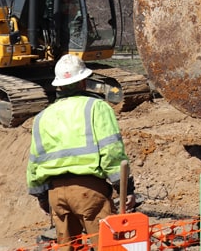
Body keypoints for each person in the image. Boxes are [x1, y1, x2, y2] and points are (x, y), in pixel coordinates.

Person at [27, 54, 136, 248]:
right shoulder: (97, 107)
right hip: (89, 192)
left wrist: (42, 196)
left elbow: (35, 162)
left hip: (56, 194)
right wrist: (125, 187)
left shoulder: (42, 117)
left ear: (58, 85)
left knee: (67, 246)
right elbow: (111, 151)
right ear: (84, 82)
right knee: (107, 245)